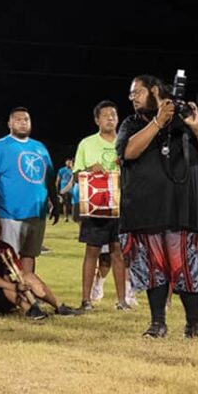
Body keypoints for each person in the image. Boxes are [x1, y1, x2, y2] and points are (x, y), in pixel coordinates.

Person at [115, 75, 198, 339]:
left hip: (184, 210)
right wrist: (158, 122)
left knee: (190, 266)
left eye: (137, 92)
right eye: (131, 93)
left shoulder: (184, 121)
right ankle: (157, 323)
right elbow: (128, 152)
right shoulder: (131, 123)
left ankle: (194, 324)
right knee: (153, 269)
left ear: (155, 91)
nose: (132, 97)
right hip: (146, 211)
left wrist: (195, 126)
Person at [0, 107, 53, 274]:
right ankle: (8, 294)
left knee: (30, 254)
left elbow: (48, 176)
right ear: (10, 123)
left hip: (37, 212)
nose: (23, 123)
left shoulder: (40, 147)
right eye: (18, 120)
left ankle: (28, 293)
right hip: (10, 213)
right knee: (8, 255)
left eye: (26, 120)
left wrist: (54, 201)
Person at [72, 100, 126, 311]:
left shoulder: (125, 142)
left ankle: (122, 301)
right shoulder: (86, 143)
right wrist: (89, 170)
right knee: (92, 251)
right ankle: (86, 300)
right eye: (105, 115)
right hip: (95, 208)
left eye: (113, 115)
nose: (110, 118)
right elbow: (77, 176)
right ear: (97, 120)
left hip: (119, 207)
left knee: (118, 253)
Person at [0, 213, 66, 318]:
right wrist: (15, 287)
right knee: (5, 286)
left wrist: (24, 283)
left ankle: (59, 306)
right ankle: (30, 310)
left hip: (3, 291)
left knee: (29, 276)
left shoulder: (5, 247)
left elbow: (19, 271)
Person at [55, 157, 75, 224]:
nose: (69, 163)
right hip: (64, 188)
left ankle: (73, 216)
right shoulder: (61, 170)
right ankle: (65, 217)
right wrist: (57, 189)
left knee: (73, 203)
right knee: (65, 203)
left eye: (70, 162)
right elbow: (58, 180)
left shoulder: (74, 170)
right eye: (68, 162)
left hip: (73, 189)